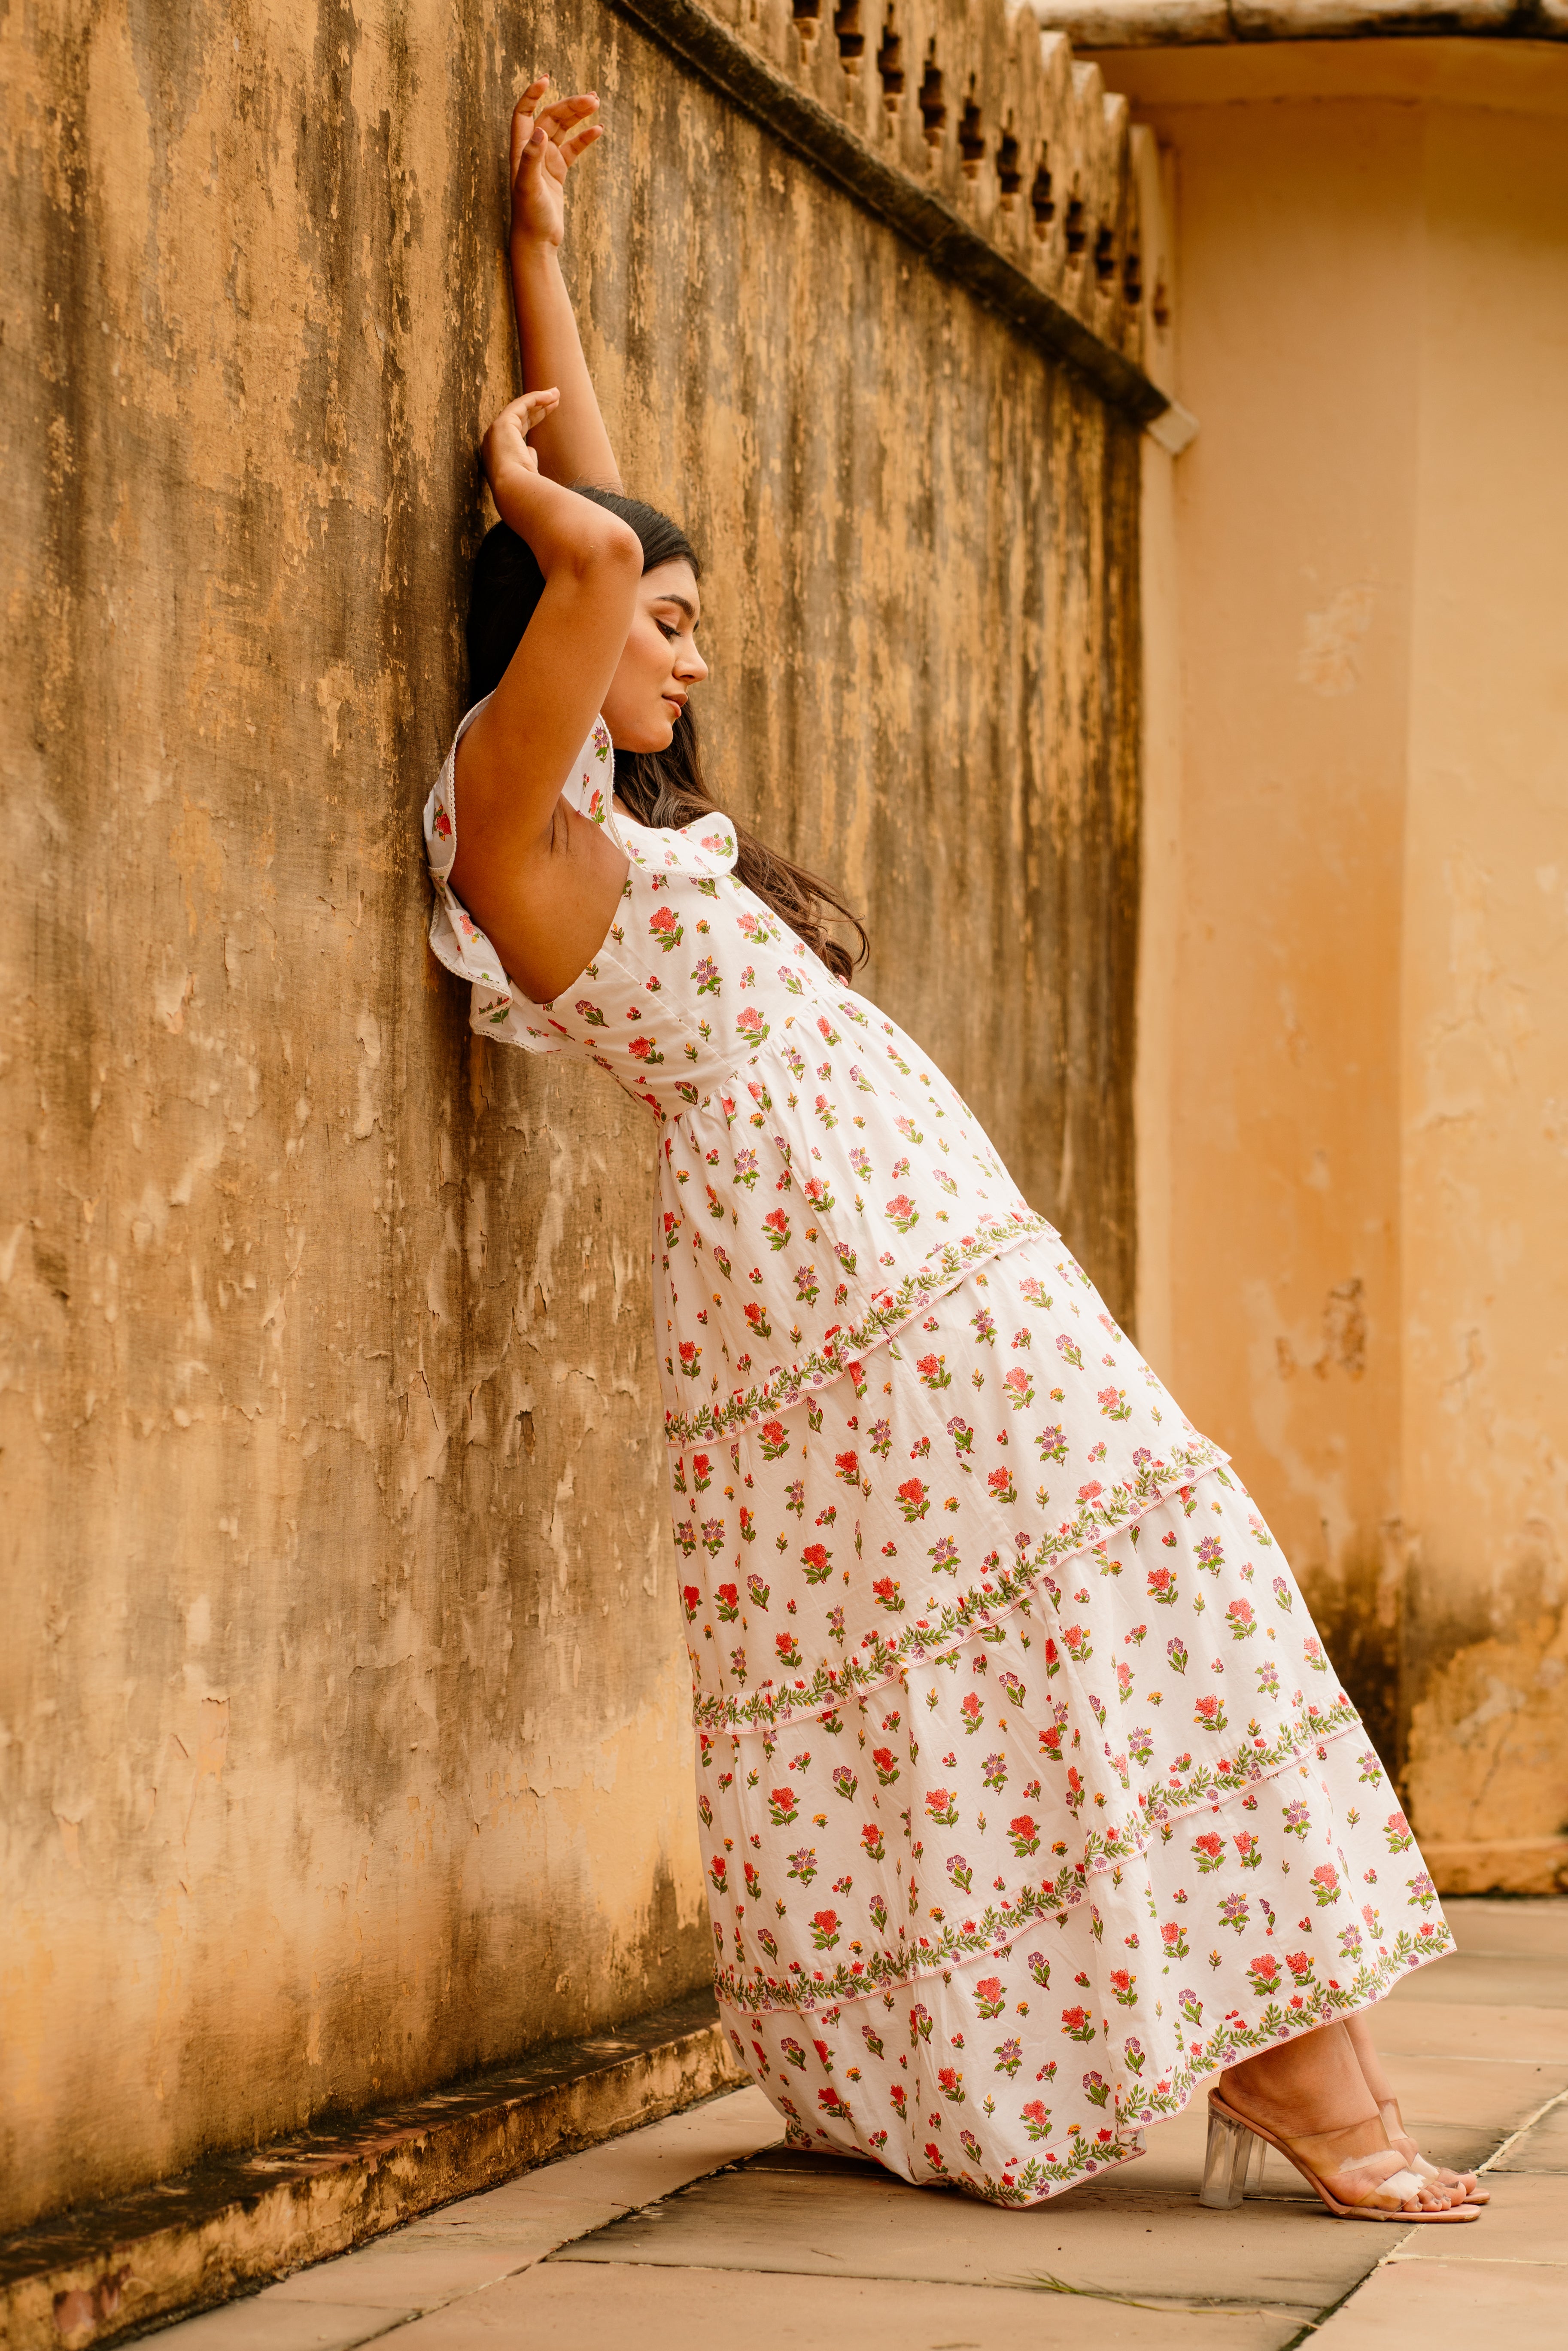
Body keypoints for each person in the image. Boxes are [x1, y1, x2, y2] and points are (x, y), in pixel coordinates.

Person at [424, 79, 1485, 2224]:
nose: (684, 642)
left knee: (1134, 1578)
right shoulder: (510, 832)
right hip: (826, 1298)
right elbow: (604, 542)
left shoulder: (630, 826)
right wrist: (553, 517)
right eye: (654, 618)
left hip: (917, 1251)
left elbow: (628, 529)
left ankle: (1274, 2048)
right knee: (1115, 1581)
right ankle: (1294, 2078)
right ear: (549, 613)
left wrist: (540, 255)